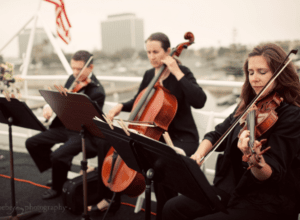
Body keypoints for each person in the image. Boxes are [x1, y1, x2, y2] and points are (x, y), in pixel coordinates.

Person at [162, 43, 300, 220]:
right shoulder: (248, 106)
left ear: (279, 74)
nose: (254, 79)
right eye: (251, 72)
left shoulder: (292, 115)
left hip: (267, 200)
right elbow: (216, 134)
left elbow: (271, 174)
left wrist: (255, 160)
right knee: (172, 207)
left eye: (262, 72)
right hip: (232, 189)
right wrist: (198, 155)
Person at [89, 32, 207, 219]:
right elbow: (139, 100)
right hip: (155, 135)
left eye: (156, 51)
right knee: (107, 143)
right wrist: (121, 105)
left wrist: (176, 71)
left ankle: (165, 214)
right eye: (148, 52)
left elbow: (200, 101)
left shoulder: (183, 73)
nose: (151, 56)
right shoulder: (148, 75)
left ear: (169, 51)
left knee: (161, 166)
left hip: (182, 138)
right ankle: (109, 198)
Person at [25, 50, 106, 200]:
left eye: (79, 68)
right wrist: (50, 105)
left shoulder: (97, 91)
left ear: (90, 68)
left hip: (83, 132)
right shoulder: (72, 78)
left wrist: (68, 104)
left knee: (58, 155)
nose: (75, 73)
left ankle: (57, 186)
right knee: (32, 143)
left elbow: (88, 120)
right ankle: (59, 170)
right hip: (64, 126)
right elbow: (62, 99)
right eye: (73, 68)